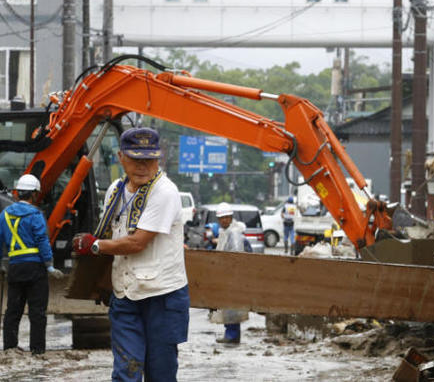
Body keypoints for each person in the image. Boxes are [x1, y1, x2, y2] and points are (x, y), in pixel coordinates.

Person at [72, 127, 189, 382]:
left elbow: (137, 243)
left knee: (161, 374)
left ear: (159, 159)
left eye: (149, 159)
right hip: (125, 293)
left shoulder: (165, 192)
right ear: (120, 157)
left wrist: (95, 246)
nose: (143, 166)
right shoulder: (115, 189)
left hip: (163, 295)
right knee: (127, 370)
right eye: (136, 159)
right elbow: (111, 232)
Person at [1, 174, 62, 355]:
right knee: (37, 312)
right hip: (36, 269)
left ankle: (10, 349)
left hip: (15, 268)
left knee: (12, 311)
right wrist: (49, 264)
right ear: (34, 194)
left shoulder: (3, 215)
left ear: (18, 193)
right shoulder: (36, 215)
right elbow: (42, 240)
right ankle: (37, 351)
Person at [209, 203, 249, 345]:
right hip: (227, 275)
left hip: (233, 276)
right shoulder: (226, 232)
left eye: (226, 217)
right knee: (228, 308)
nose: (224, 220)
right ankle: (230, 334)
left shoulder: (234, 233)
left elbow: (235, 255)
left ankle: (232, 335)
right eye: (221, 218)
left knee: (232, 308)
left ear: (231, 217)